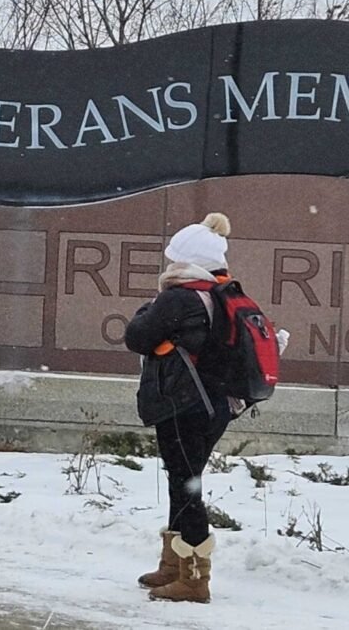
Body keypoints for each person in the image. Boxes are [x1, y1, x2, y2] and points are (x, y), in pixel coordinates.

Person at [123, 212, 237, 604]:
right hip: (215, 405)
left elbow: (137, 337)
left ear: (187, 260)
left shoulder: (180, 297)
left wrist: (144, 311)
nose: (169, 264)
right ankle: (173, 564)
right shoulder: (221, 295)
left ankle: (194, 578)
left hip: (183, 404)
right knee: (183, 479)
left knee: (186, 486)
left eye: (174, 257)